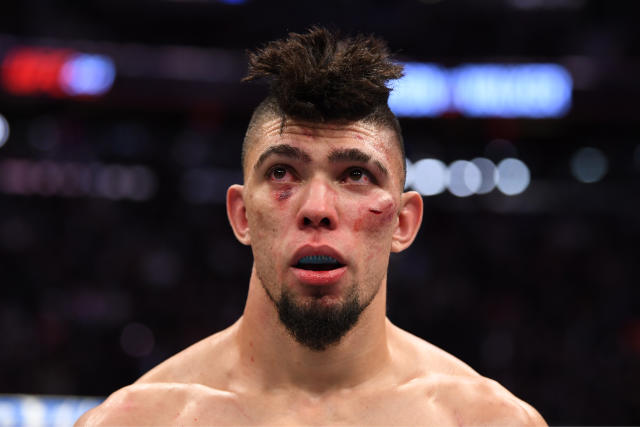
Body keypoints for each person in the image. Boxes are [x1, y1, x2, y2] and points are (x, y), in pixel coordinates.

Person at [76, 27, 546, 426]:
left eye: (355, 175)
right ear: (240, 215)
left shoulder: (486, 421)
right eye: (282, 172)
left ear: (404, 223)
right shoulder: (138, 420)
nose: (317, 207)